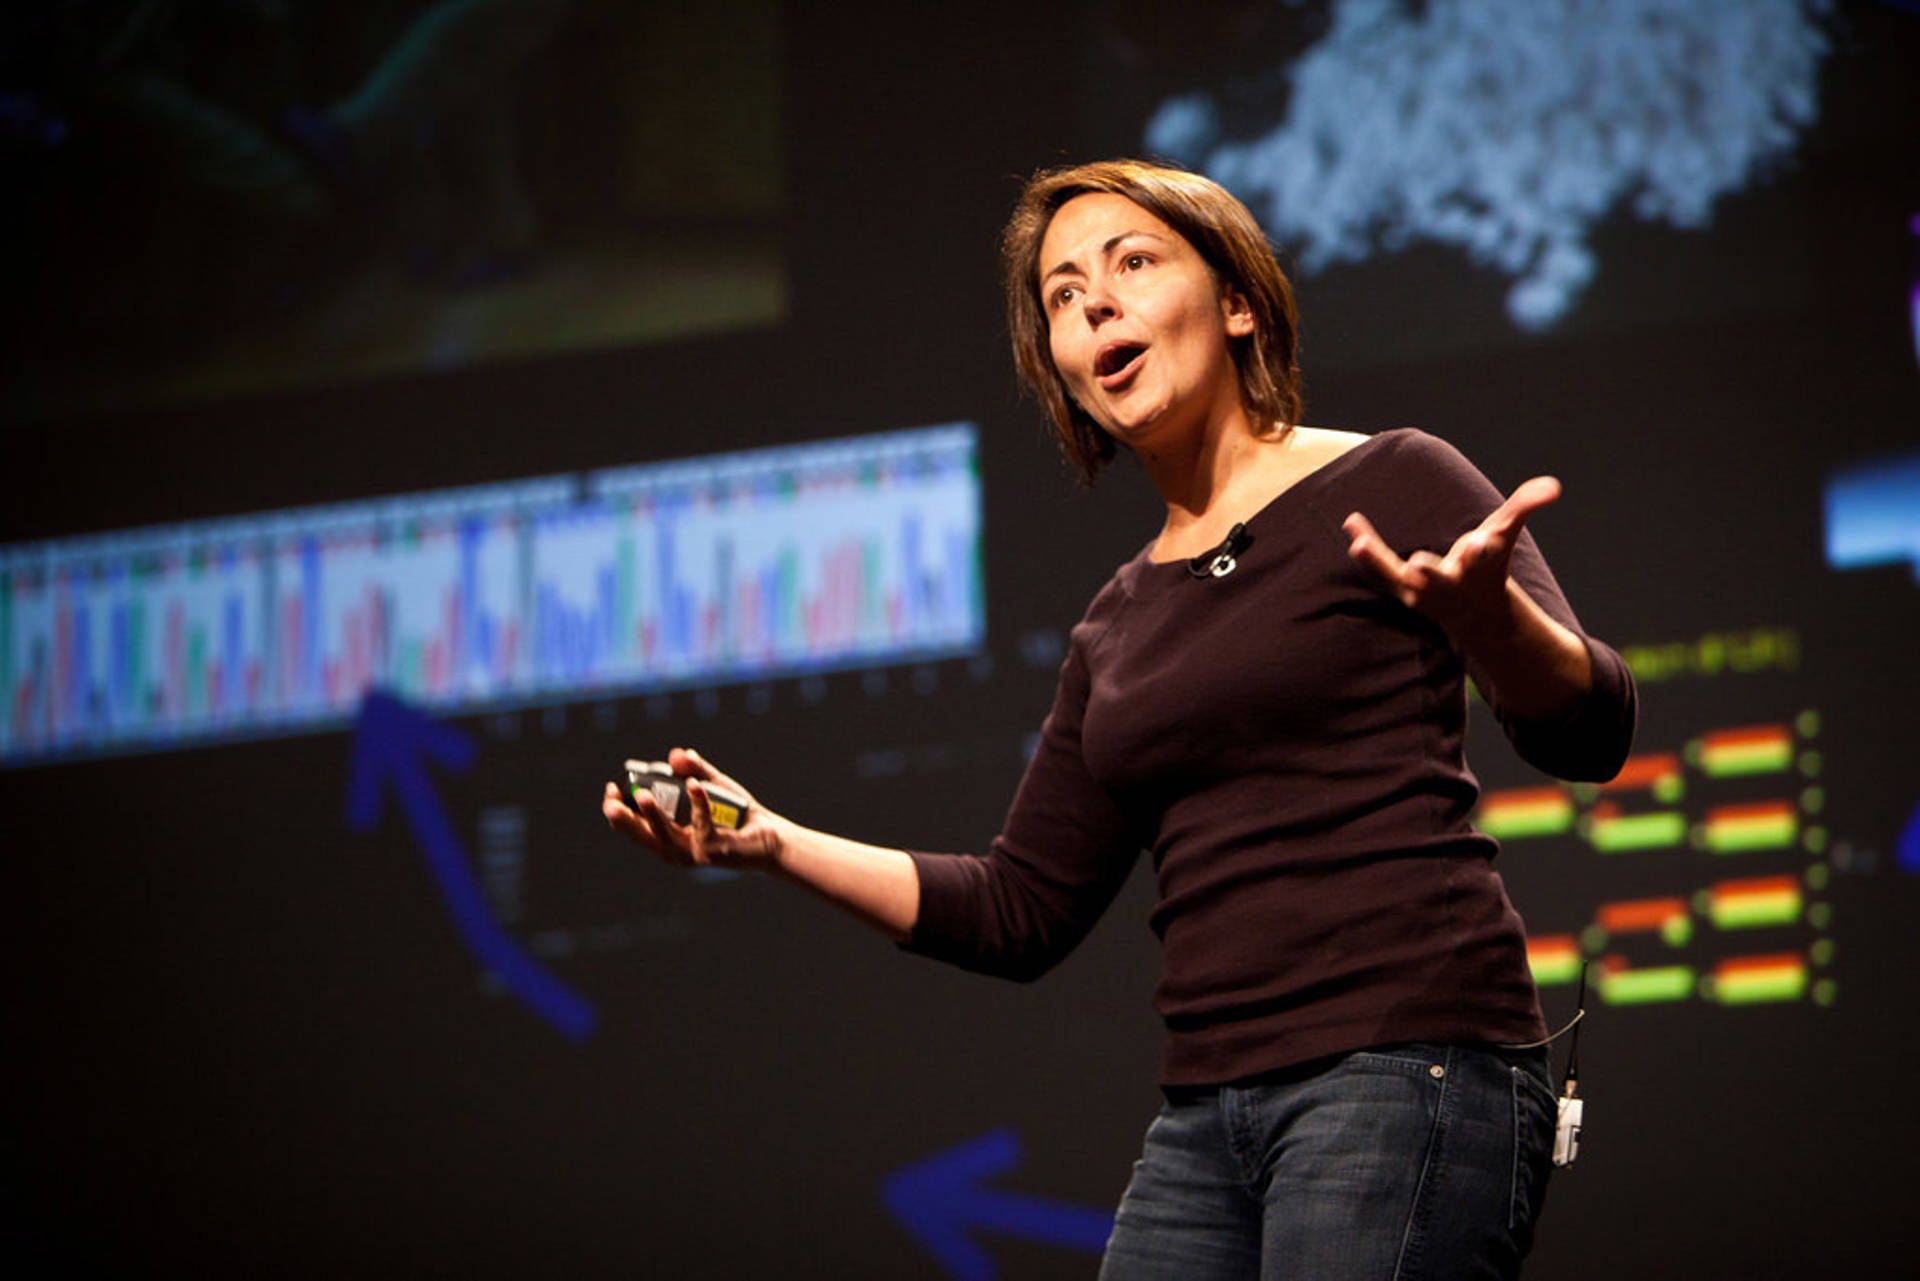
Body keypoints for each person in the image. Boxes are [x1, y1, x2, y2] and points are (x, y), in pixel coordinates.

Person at [601, 159, 1636, 1280]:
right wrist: (772, 841)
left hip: (1406, 1067)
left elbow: (1592, 732)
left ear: (1237, 303)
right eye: (1060, 295)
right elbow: (1019, 907)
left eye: (1132, 264)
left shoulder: (1393, 477)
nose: (1092, 303)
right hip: (1207, 1117)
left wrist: (1497, 626)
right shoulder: (1118, 621)